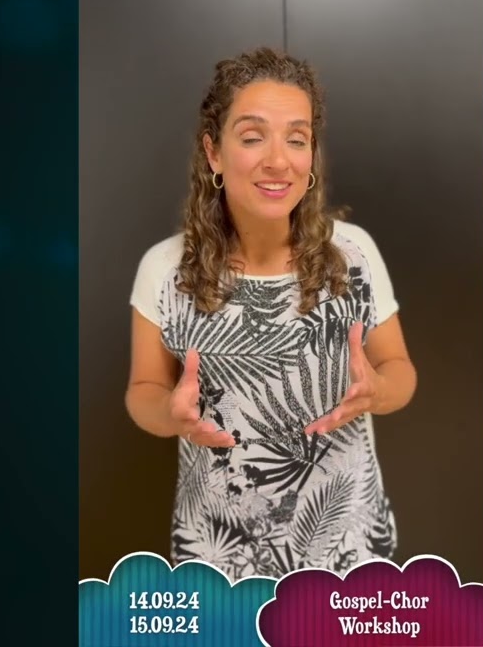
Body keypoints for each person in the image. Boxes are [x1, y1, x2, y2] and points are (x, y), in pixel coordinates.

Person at [126, 47, 417, 580]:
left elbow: (401, 372)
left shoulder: (353, 255)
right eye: (253, 136)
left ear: (312, 158)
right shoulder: (164, 269)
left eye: (297, 139)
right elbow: (143, 389)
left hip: (347, 555)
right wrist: (169, 413)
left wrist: (378, 391)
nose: (279, 161)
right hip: (217, 560)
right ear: (213, 152)